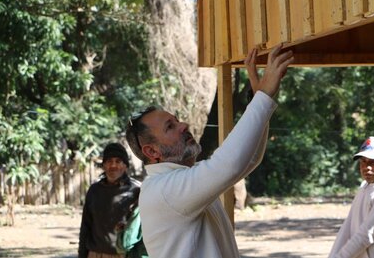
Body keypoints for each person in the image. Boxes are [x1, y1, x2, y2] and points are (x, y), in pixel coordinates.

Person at [125, 44, 294, 258]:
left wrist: (258, 96)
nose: (183, 125)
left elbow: (248, 159)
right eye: (170, 126)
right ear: (152, 151)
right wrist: (263, 97)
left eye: (176, 120)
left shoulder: (179, 180)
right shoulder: (164, 190)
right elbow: (227, 165)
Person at [79, 143, 142, 258]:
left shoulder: (137, 191)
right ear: (103, 165)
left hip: (124, 255)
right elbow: (86, 226)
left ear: (125, 165)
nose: (113, 165)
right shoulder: (94, 190)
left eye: (118, 161)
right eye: (109, 161)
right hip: (95, 254)